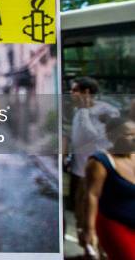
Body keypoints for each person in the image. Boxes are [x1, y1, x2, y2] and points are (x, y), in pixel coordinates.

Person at [68, 77, 119, 232]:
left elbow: (97, 137)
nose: (71, 93)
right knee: (79, 216)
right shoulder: (78, 111)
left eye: (75, 90)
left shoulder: (108, 111)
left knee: (95, 219)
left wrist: (84, 111)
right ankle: (87, 251)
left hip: (95, 174)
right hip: (77, 171)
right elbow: (78, 137)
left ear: (87, 92)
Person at [81, 116, 135, 260]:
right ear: (112, 136)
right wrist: (89, 231)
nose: (133, 138)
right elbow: (91, 196)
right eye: (128, 134)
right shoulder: (100, 161)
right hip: (116, 225)